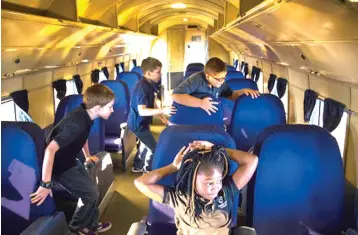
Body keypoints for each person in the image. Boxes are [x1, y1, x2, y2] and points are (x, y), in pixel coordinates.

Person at [30, 84, 115, 235]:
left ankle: (91, 224)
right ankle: (76, 228)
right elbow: (50, 149)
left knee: (91, 189)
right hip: (59, 166)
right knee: (91, 193)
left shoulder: (86, 114)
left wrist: (87, 155)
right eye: (110, 107)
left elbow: (83, 137)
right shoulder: (77, 122)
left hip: (70, 159)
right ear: (97, 108)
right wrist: (45, 184)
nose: (112, 110)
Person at [134, 140, 258, 235]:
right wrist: (172, 167)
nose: (216, 187)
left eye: (219, 181)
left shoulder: (225, 191)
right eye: (209, 183)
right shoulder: (179, 197)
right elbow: (141, 182)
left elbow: (251, 161)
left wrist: (217, 149)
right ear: (192, 180)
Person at [128, 57, 176, 173]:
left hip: (143, 123)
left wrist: (163, 119)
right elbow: (142, 111)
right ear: (149, 73)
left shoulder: (150, 84)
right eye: (158, 72)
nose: (160, 74)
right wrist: (163, 110)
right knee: (154, 148)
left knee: (145, 145)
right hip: (137, 124)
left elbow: (153, 104)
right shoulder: (142, 87)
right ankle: (148, 170)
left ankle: (137, 166)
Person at [172, 57, 260, 115]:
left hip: (210, 117)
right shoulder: (196, 79)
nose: (222, 81)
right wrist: (201, 103)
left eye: (224, 78)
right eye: (218, 79)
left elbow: (230, 96)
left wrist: (243, 91)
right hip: (193, 117)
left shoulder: (221, 83)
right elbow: (176, 95)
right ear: (207, 76)